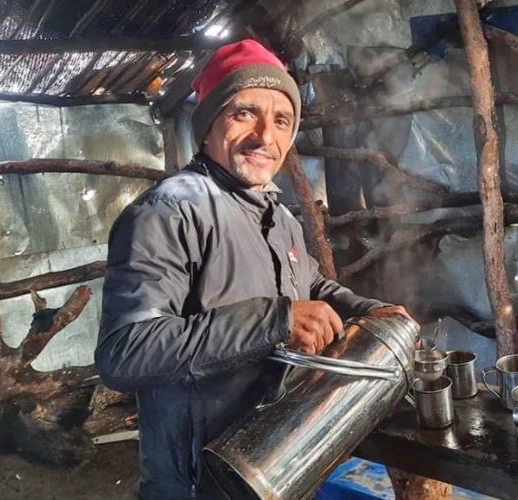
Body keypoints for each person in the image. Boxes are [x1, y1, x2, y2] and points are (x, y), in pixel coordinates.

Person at [95, 39, 417, 499]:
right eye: (244, 113)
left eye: (282, 120)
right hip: (198, 479)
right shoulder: (169, 212)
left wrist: (370, 310)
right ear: (207, 125)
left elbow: (310, 284)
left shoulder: (278, 216)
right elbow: (125, 352)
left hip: (273, 461)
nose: (266, 136)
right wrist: (276, 321)